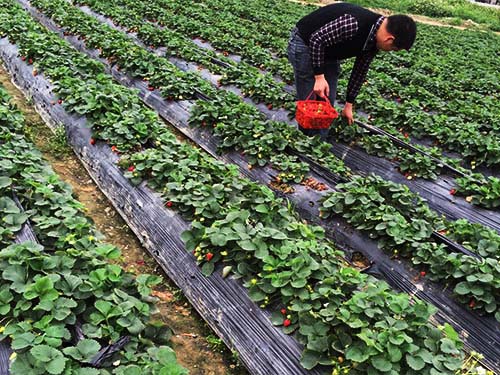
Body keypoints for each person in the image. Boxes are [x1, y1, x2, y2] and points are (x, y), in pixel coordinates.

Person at [287, 3, 416, 138]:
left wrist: (349, 104)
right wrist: (319, 77)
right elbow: (316, 40)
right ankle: (306, 142)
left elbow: (360, 70)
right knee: (311, 103)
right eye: (394, 49)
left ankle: (318, 141)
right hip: (305, 43)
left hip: (329, 51)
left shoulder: (373, 42)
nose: (390, 51)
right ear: (390, 39)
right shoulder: (354, 23)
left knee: (326, 103)